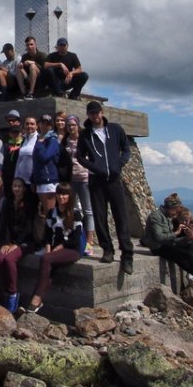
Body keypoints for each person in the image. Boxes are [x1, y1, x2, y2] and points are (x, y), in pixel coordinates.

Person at [77, 100, 136, 274]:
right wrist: (94, 167)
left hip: (114, 179)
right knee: (100, 217)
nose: (95, 116)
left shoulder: (115, 130)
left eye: (97, 112)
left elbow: (126, 149)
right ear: (88, 115)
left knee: (121, 217)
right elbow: (80, 156)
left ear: (102, 112)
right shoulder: (86, 134)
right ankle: (107, 250)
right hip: (96, 180)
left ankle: (127, 255)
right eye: (91, 113)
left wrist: (119, 164)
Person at [22, 183, 84, 314]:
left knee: (46, 260)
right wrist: (49, 248)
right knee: (48, 268)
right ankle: (33, 305)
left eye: (65, 194)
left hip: (71, 250)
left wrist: (60, 247)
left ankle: (36, 299)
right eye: (59, 194)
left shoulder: (76, 214)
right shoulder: (52, 213)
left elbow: (75, 239)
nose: (62, 197)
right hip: (55, 251)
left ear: (70, 196)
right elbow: (48, 234)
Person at [0, 177, 40, 313]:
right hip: (11, 241)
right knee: (0, 258)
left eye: (19, 186)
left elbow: (28, 227)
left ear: (24, 188)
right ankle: (6, 291)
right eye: (14, 186)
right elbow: (6, 225)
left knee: (9, 259)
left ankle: (13, 293)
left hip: (26, 241)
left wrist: (16, 244)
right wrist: (7, 242)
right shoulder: (8, 203)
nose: (17, 189)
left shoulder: (29, 204)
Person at [63, 115, 97, 253]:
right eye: (68, 125)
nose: (71, 127)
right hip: (71, 178)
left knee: (88, 210)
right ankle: (74, 237)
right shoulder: (65, 140)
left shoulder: (85, 139)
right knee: (71, 209)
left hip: (84, 177)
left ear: (78, 126)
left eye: (73, 125)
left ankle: (89, 241)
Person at [31, 113, 61, 216]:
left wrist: (39, 143)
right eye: (42, 123)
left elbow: (45, 157)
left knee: (49, 213)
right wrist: (33, 179)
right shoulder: (40, 139)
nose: (44, 126)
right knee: (43, 212)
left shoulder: (52, 140)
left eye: (47, 124)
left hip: (49, 181)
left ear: (51, 126)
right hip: (40, 180)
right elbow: (35, 161)